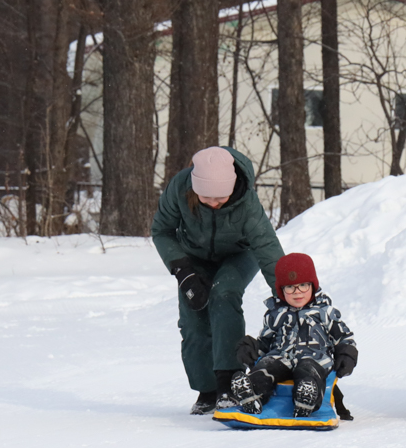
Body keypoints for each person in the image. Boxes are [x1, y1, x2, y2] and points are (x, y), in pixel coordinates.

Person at [151, 146, 285, 414]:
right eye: (206, 197)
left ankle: (228, 383)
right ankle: (207, 390)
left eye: (220, 198)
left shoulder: (246, 201)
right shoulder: (180, 187)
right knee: (194, 315)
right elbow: (162, 231)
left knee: (224, 294)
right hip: (193, 257)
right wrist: (183, 271)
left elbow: (267, 248)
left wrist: (288, 291)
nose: (214, 203)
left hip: (238, 254)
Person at [232, 253, 357, 417]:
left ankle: (307, 399)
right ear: (282, 290)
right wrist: (251, 348)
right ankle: (252, 394)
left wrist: (346, 354)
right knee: (266, 366)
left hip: (315, 358)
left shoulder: (324, 312)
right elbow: (265, 342)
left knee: (308, 371)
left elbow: (344, 337)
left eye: (303, 285)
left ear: (313, 285)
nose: (297, 292)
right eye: (290, 287)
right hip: (281, 356)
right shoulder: (275, 314)